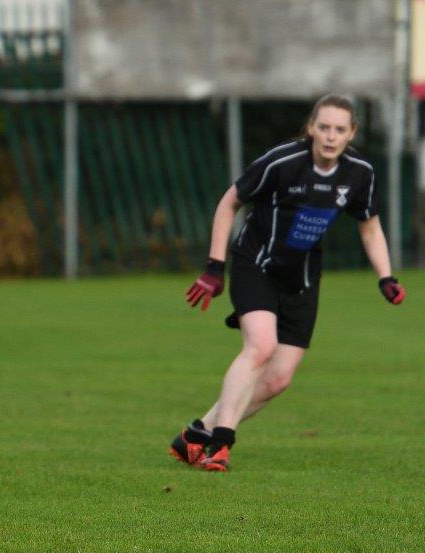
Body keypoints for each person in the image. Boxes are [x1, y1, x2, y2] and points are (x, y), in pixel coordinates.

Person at [172, 94, 406, 472]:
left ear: (351, 134)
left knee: (278, 379)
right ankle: (220, 444)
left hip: (302, 278)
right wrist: (214, 266)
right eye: (324, 127)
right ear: (311, 128)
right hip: (256, 264)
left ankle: (198, 433)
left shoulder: (359, 173)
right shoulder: (282, 162)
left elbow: (370, 228)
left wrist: (386, 277)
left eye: (340, 129)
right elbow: (229, 202)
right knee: (260, 347)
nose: (331, 136)